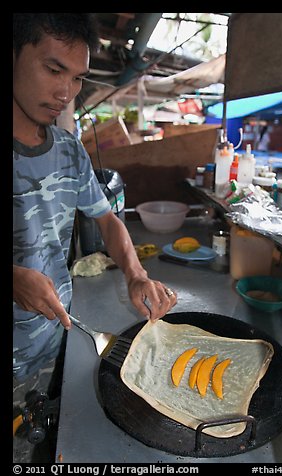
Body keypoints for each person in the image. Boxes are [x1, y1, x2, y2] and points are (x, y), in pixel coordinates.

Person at [13, 13, 177, 461]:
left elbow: (107, 220)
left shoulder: (67, 150)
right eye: (52, 69)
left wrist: (136, 274)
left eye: (78, 78)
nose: (65, 92)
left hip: (58, 339)